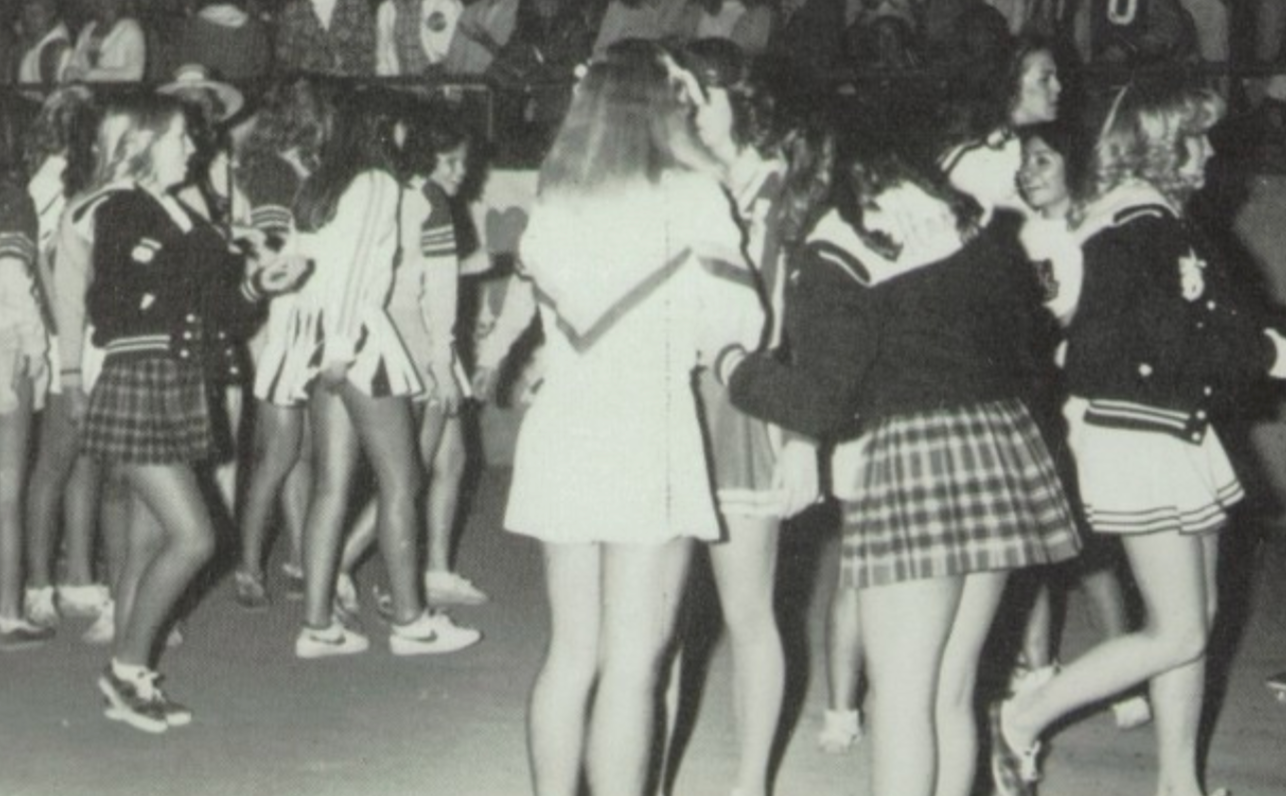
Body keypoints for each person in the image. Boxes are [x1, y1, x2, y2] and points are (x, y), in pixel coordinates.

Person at [726, 145, 1082, 796]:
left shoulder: (836, 244)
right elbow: (1028, 354)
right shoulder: (974, 224)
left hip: (918, 458)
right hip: (1003, 448)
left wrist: (735, 369)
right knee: (953, 691)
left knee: (900, 698)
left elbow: (821, 398)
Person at [989, 78, 1286, 796]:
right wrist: (1268, 354)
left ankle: (1179, 784)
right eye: (1197, 134)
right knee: (1181, 630)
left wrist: (1260, 340)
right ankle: (1023, 717)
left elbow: (1204, 321)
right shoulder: (1136, 225)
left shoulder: (1154, 219)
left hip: (1171, 432)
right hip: (1137, 439)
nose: (1211, 148)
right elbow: (1161, 342)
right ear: (1160, 142)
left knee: (1198, 618)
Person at [507, 39, 762, 796]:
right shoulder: (690, 195)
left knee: (570, 652)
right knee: (633, 663)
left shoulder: (556, 196)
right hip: (646, 425)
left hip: (565, 425)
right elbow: (741, 324)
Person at [81, 93, 306, 732]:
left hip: (180, 380)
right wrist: (215, 251)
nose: (193, 147)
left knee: (151, 539)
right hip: (141, 380)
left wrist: (259, 283)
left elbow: (224, 313)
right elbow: (111, 309)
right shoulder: (125, 208)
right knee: (198, 536)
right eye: (180, 137)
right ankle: (125, 670)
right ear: (143, 143)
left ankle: (130, 675)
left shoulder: (182, 214)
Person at [270, 88, 476, 658]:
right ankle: (410, 620)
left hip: (318, 338)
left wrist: (317, 349)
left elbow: (300, 267)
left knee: (333, 485)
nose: (410, 139)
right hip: (358, 340)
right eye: (404, 128)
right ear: (386, 129)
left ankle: (318, 625)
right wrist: (342, 345)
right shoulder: (378, 184)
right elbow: (360, 269)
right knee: (403, 479)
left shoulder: (322, 183)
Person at [670, 39, 825, 796]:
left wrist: (799, 435)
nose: (688, 110)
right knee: (656, 622)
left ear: (740, 98)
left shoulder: (785, 191)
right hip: (664, 403)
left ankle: (750, 783)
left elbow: (804, 327)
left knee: (747, 609)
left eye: (700, 94)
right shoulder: (666, 178)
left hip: (745, 412)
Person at [1010, 118, 1153, 730]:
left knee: (1094, 546)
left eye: (1043, 160)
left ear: (1073, 165)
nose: (1028, 172)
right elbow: (1043, 313)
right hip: (1047, 395)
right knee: (1040, 542)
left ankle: (1127, 684)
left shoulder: (1097, 224)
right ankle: (1039, 669)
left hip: (1090, 397)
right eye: (1025, 162)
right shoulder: (1025, 235)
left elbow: (1087, 311)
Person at [337, 105, 490, 611]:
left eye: (463, 163)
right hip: (423, 343)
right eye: (449, 161)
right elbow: (439, 292)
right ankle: (344, 567)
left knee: (452, 457)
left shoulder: (384, 189)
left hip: (402, 332)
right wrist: (442, 364)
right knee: (410, 474)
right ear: (426, 155)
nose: (458, 173)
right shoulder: (430, 202)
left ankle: (436, 570)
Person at [231, 77, 332, 610]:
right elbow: (269, 244)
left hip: (311, 318)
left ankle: (297, 556)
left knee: (305, 450)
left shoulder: (309, 168)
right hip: (278, 320)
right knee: (279, 452)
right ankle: (248, 563)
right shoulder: (272, 168)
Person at [21, 86, 114, 632]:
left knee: (88, 459)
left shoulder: (89, 184)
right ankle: (37, 584)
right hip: (69, 340)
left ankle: (79, 575)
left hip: (91, 335)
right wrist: (65, 339)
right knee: (57, 462)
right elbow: (50, 270)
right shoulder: (49, 185)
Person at [0, 96, 54, 651]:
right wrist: (37, 353)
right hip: (4, 345)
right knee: (6, 492)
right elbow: (13, 283)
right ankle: (7, 611)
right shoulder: (12, 199)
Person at [939, 36, 1063, 218]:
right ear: (1012, 86)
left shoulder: (1032, 144)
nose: (1058, 86)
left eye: (1056, 77)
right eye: (1045, 79)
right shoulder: (976, 159)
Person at [274, 0, 376, 76]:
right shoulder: (294, 10)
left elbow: (368, 56)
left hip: (350, 95)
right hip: (308, 97)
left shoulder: (357, 6)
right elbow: (285, 61)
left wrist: (346, 65)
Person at [65, 0, 147, 83]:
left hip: (117, 94)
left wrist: (91, 76)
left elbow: (135, 74)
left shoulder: (131, 30)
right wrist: (71, 72)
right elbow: (73, 64)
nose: (106, 4)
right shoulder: (88, 30)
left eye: (112, 3)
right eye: (100, 3)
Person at [375, 0, 463, 75]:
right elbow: (383, 57)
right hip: (403, 87)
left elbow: (456, 52)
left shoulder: (444, 4)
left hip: (438, 86)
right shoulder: (386, 9)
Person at [15, 0, 73, 86]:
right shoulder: (33, 35)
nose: (27, 20)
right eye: (23, 14)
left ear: (52, 12)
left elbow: (57, 96)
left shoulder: (56, 49)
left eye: (34, 14)